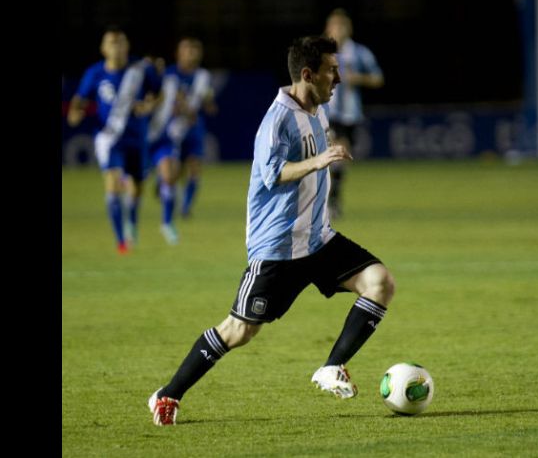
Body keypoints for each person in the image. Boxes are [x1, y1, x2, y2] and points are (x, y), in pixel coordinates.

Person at [148, 35, 396, 426]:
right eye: (333, 71)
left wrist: (329, 147)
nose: (339, 78)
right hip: (278, 248)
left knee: (379, 282)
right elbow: (274, 174)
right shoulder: (276, 120)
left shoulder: (317, 107)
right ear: (307, 74)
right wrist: (321, 159)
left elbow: (315, 149)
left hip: (318, 238)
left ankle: (331, 367)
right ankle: (168, 394)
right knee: (239, 331)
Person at [67, 26, 161, 253]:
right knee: (112, 183)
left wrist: (148, 105)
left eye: (121, 42)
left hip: (136, 138)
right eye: (111, 43)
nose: (117, 47)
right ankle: (121, 241)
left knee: (137, 188)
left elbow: (158, 94)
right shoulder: (95, 73)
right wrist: (75, 113)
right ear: (103, 48)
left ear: (127, 46)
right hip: (109, 138)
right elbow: (79, 100)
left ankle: (132, 224)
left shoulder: (140, 69)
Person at [148, 37, 218, 244]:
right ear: (179, 53)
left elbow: (207, 103)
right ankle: (167, 219)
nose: (192, 53)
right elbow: (159, 99)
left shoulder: (203, 76)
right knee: (173, 173)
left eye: (196, 50)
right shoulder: (168, 75)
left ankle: (185, 209)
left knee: (194, 168)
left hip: (193, 130)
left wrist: (208, 103)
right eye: (188, 50)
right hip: (170, 131)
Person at [323, 8, 384, 218]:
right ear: (328, 28)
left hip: (351, 114)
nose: (338, 30)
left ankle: (333, 200)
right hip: (326, 112)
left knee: (340, 158)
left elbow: (377, 78)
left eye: (341, 26)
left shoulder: (359, 53)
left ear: (348, 29)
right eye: (334, 25)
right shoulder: (320, 53)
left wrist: (358, 78)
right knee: (333, 152)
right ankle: (327, 203)